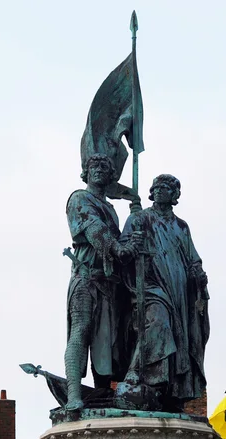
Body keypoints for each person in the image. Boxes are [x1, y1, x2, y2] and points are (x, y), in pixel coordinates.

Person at [119, 174, 210, 411]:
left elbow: (192, 259)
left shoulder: (181, 226)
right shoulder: (139, 219)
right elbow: (123, 252)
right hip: (149, 285)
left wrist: (198, 274)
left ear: (175, 195)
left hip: (179, 290)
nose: (160, 190)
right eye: (157, 187)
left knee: (183, 338)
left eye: (166, 188)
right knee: (158, 322)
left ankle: (171, 392)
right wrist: (133, 245)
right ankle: (140, 378)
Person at [64, 153, 142, 410]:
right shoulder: (79, 198)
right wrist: (120, 248)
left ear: (110, 176)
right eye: (93, 166)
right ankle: (74, 394)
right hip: (86, 277)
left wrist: (136, 224)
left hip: (110, 283)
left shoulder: (110, 208)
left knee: (107, 343)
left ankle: (102, 394)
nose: (98, 170)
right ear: (86, 172)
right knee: (82, 330)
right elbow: (95, 230)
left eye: (104, 167)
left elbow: (119, 242)